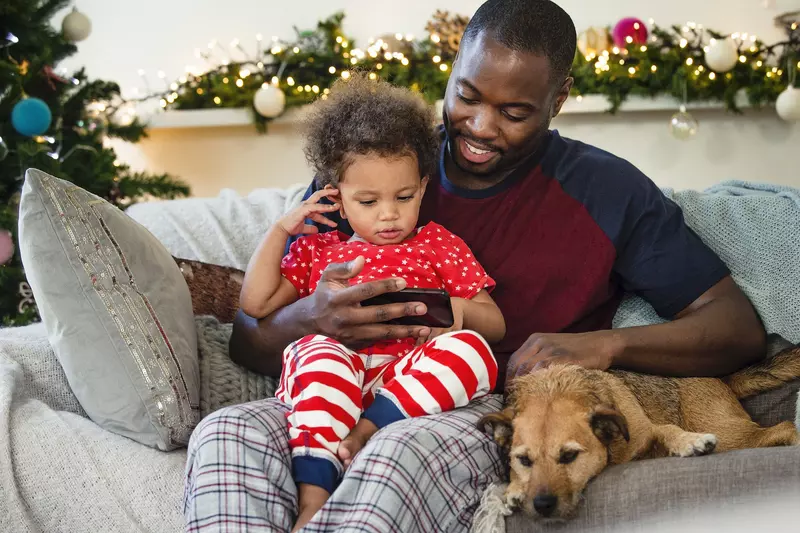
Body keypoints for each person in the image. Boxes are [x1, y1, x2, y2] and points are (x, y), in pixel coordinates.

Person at [184, 1, 766, 531]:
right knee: (224, 433)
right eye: (467, 96)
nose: (482, 127)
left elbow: (736, 329)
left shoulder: (607, 192)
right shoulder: (376, 166)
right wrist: (313, 317)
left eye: (514, 111)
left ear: (558, 99)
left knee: (394, 457)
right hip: (331, 387)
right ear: (452, 70)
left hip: (464, 402)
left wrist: (600, 346)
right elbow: (248, 340)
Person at [237, 74, 505, 532]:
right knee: (315, 352)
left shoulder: (438, 243)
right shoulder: (320, 251)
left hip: (409, 384)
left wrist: (453, 313)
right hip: (340, 372)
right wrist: (280, 231)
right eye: (368, 200)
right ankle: (314, 499)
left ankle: (370, 428)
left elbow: (495, 324)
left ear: (422, 188)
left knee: (475, 352)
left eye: (403, 197)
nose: (388, 214)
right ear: (338, 199)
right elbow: (257, 303)